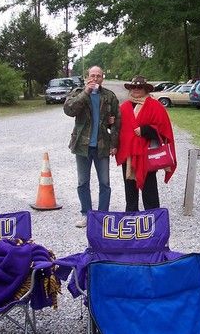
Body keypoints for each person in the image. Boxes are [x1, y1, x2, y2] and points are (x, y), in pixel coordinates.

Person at [64, 66, 121, 228]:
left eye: (98, 76)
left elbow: (117, 121)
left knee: (105, 183)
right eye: (92, 75)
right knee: (83, 182)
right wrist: (86, 92)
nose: (95, 78)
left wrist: (114, 144)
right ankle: (86, 215)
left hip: (102, 145)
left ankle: (102, 216)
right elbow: (69, 110)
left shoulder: (109, 96)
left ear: (102, 78)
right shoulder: (78, 93)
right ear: (87, 77)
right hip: (82, 145)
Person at [116, 76, 177, 211]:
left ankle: (152, 214)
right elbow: (118, 128)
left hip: (147, 154)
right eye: (133, 87)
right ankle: (131, 214)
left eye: (140, 87)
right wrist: (110, 123)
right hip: (128, 153)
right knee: (130, 187)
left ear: (145, 89)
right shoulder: (124, 107)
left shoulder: (155, 106)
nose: (136, 89)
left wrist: (146, 130)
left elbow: (164, 129)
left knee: (149, 186)